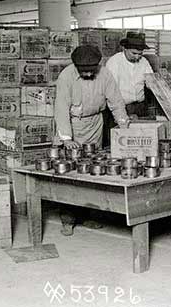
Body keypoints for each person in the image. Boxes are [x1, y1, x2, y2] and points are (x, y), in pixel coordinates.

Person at [54, 44, 130, 235]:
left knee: (91, 172)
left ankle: (89, 215)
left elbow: (116, 101)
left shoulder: (105, 75)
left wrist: (123, 124)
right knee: (70, 174)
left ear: (97, 66)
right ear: (76, 67)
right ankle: (68, 219)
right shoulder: (66, 76)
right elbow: (61, 108)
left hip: (95, 123)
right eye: (83, 71)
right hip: (72, 123)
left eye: (91, 71)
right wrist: (67, 138)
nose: (88, 75)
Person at [106, 32, 154, 118]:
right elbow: (111, 92)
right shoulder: (114, 62)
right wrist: (121, 114)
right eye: (134, 53)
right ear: (124, 48)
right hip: (122, 107)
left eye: (140, 54)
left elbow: (151, 81)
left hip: (140, 106)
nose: (137, 57)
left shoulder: (144, 61)